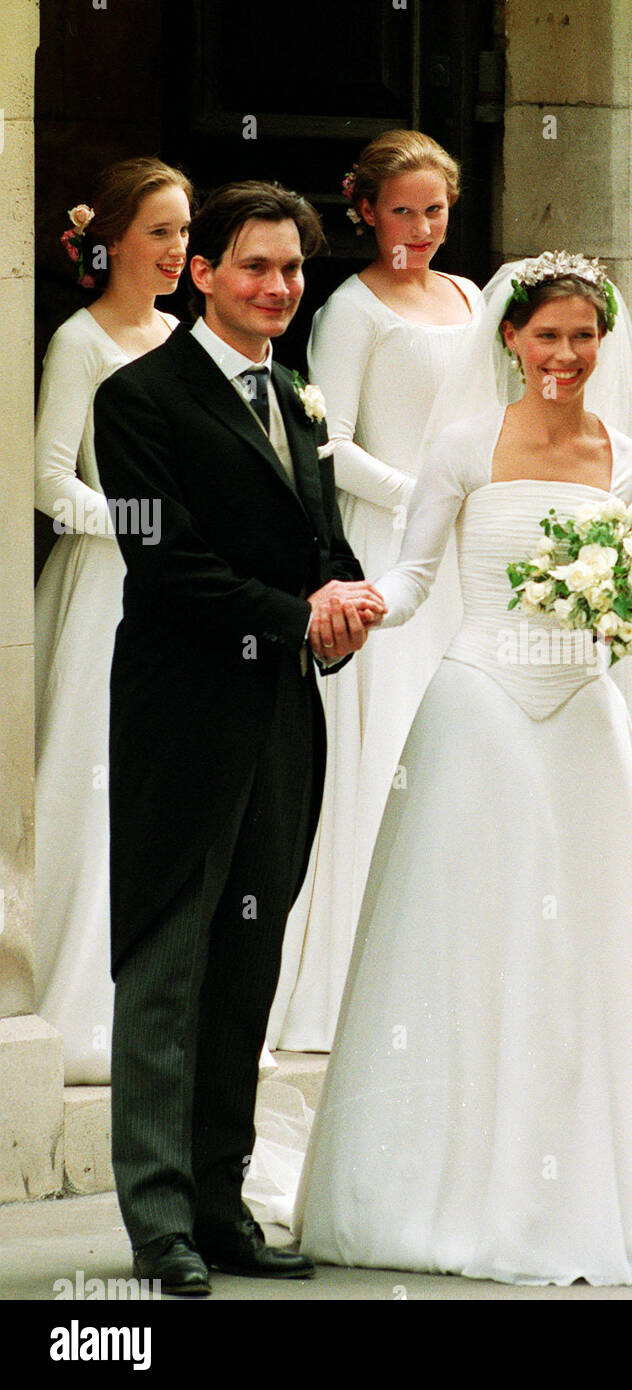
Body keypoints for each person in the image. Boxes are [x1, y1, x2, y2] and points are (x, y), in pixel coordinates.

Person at [292, 254, 632, 1289]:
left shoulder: (630, 462)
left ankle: (594, 1174)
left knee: (593, 941)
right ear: (509, 339)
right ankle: (444, 1181)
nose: (563, 355)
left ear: (604, 344)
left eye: (581, 337)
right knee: (468, 934)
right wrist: (352, 603)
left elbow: (631, 609)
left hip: (581, 715)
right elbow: (415, 582)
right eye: (545, 335)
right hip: (478, 709)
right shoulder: (461, 445)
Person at [93, 181, 385, 1296]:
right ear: (201, 271)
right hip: (181, 720)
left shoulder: (297, 396)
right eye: (255, 267)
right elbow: (161, 569)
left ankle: (222, 1207)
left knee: (246, 969)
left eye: (293, 271)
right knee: (166, 970)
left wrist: (348, 604)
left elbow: (324, 541)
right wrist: (290, 613)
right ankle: (159, 1224)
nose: (278, 288)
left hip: (280, 721)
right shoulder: (136, 400)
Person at [267, 131, 481, 1053]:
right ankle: (358, 976)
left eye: (436, 210)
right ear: (364, 211)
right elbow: (330, 440)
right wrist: (425, 497)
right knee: (390, 739)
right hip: (393, 537)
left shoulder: (473, 297)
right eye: (404, 211)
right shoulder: (351, 309)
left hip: (470, 545)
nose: (422, 228)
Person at [34, 157, 192, 1084]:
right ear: (116, 242)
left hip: (179, 590)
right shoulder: (81, 340)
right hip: (106, 587)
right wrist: (140, 522)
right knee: (96, 783)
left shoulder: (184, 336)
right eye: (160, 232)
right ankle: (80, 1000)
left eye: (184, 231)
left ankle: (158, 1000)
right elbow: (50, 481)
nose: (178, 250)